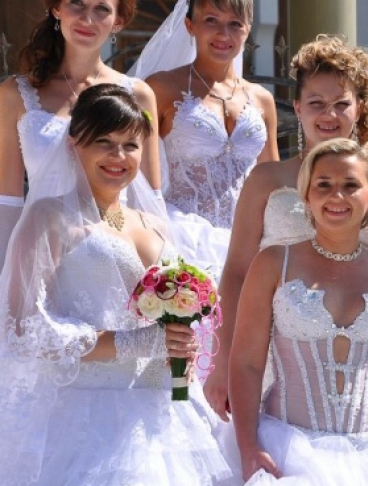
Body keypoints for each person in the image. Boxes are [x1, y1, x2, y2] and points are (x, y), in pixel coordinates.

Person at [0, 84, 234, 485]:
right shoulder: (49, 218)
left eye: (130, 145)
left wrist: (180, 344)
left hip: (160, 420)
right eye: (104, 143)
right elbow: (23, 330)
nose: (118, 156)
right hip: (87, 420)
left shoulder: (156, 226)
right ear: (74, 145)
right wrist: (131, 343)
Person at [225, 137, 368, 485]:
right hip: (287, 451)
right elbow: (246, 363)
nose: (337, 196)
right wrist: (248, 448)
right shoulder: (273, 263)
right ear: (306, 196)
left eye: (351, 185)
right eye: (324, 185)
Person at [204, 36, 368, 418]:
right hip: (272, 356)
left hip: (357, 360)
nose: (329, 115)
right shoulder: (266, 180)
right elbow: (236, 273)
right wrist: (222, 358)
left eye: (341, 103)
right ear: (297, 108)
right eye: (316, 103)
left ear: (359, 107)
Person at [0, 0, 162, 271]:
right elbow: (7, 200)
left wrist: (158, 274)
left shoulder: (139, 95)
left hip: (112, 254)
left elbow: (148, 198)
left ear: (118, 21)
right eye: (77, 4)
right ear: (57, 9)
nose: (87, 19)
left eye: (102, 9)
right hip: (39, 251)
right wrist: (6, 272)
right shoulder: (15, 94)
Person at [139, 0, 279, 280]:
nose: (223, 34)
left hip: (249, 241)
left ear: (247, 29)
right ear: (190, 25)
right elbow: (141, 176)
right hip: (182, 237)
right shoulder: (161, 87)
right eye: (211, 20)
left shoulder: (263, 99)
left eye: (235, 24)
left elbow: (273, 182)